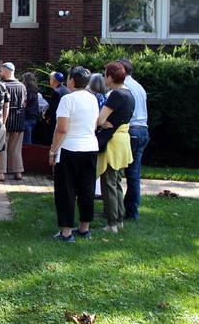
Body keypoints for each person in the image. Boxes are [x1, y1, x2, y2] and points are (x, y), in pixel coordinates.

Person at [48, 66, 99, 242]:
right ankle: (84, 228)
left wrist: (53, 150)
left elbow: (61, 129)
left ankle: (66, 232)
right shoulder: (93, 99)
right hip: (90, 147)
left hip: (69, 148)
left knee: (66, 190)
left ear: (72, 80)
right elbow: (94, 125)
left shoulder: (67, 100)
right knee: (87, 188)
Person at [96, 61, 135, 233]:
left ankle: (112, 223)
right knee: (117, 182)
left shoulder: (116, 94)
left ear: (111, 77)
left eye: (105, 74)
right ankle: (119, 219)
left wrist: (102, 123)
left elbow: (100, 119)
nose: (104, 77)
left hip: (112, 141)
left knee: (109, 183)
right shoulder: (129, 93)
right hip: (123, 140)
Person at [120, 58, 150, 221]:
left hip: (130, 130)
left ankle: (116, 209)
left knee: (116, 172)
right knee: (134, 174)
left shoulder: (125, 87)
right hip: (143, 130)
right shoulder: (139, 87)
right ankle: (132, 211)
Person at [0, 62, 26, 181]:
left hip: (5, 119)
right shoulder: (22, 86)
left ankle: (0, 173)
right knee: (16, 148)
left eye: (1, 70)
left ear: (5, 71)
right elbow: (24, 103)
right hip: (19, 120)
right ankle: (18, 171)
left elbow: (1, 104)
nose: (0, 73)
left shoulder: (2, 85)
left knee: (2, 148)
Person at [45, 71, 70, 140]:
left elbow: (53, 109)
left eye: (50, 79)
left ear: (54, 80)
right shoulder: (67, 90)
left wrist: (47, 116)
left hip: (56, 121)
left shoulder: (56, 92)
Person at [22, 72, 42, 145]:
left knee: (26, 139)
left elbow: (24, 104)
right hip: (34, 116)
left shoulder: (27, 91)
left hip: (27, 117)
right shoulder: (35, 91)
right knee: (28, 136)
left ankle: (27, 155)